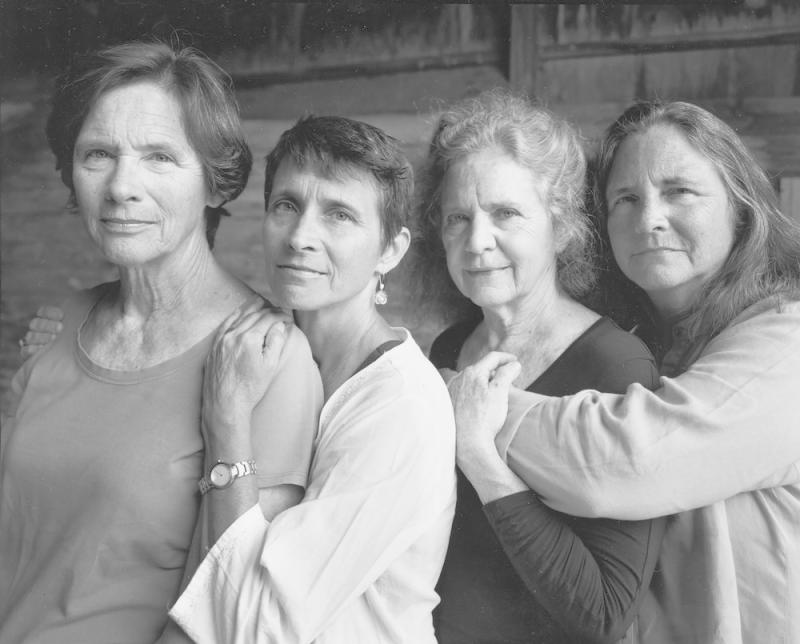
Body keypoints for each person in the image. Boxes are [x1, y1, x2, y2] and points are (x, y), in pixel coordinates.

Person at [0, 41, 321, 643]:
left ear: (215, 183)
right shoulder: (59, 325)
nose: (122, 186)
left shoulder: (268, 358)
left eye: (159, 157)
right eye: (98, 154)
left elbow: (233, 607)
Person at [447, 100, 800, 643]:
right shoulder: (657, 339)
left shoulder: (787, 341)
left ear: (742, 207)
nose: (649, 218)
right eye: (626, 199)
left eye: (679, 191)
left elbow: (635, 457)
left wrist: (456, 398)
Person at [158, 115, 456, 642]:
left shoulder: (400, 404)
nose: (300, 237)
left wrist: (227, 420)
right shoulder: (259, 349)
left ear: (391, 249)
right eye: (287, 206)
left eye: (339, 215)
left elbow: (259, 627)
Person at [413, 89, 666, 644]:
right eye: (459, 217)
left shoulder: (616, 365)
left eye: (505, 213)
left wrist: (479, 456)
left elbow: (603, 612)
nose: (477, 242)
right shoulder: (449, 349)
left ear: (562, 224)